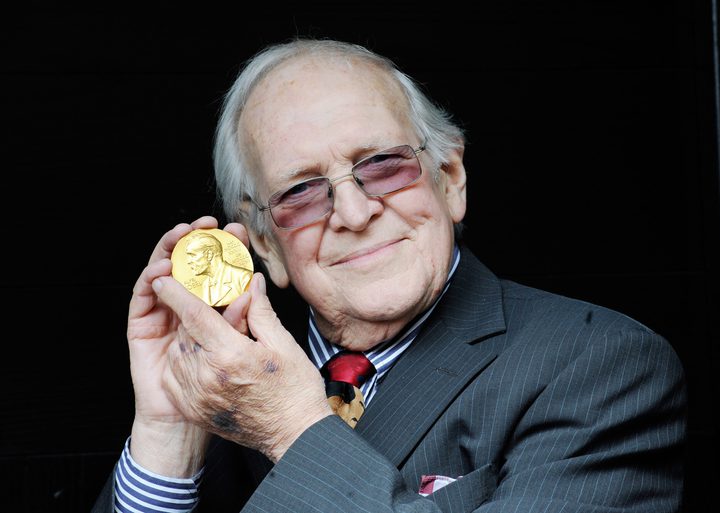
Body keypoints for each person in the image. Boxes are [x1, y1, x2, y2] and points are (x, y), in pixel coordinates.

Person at [91, 38, 687, 513]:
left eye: (382, 166)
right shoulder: (226, 379)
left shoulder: (600, 364)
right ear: (266, 244)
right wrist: (167, 432)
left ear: (450, 178)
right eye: (301, 192)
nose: (353, 213)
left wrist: (292, 430)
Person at [182, 231, 253, 307]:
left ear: (209, 255)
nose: (188, 262)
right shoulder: (206, 284)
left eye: (192, 255)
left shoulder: (243, 278)